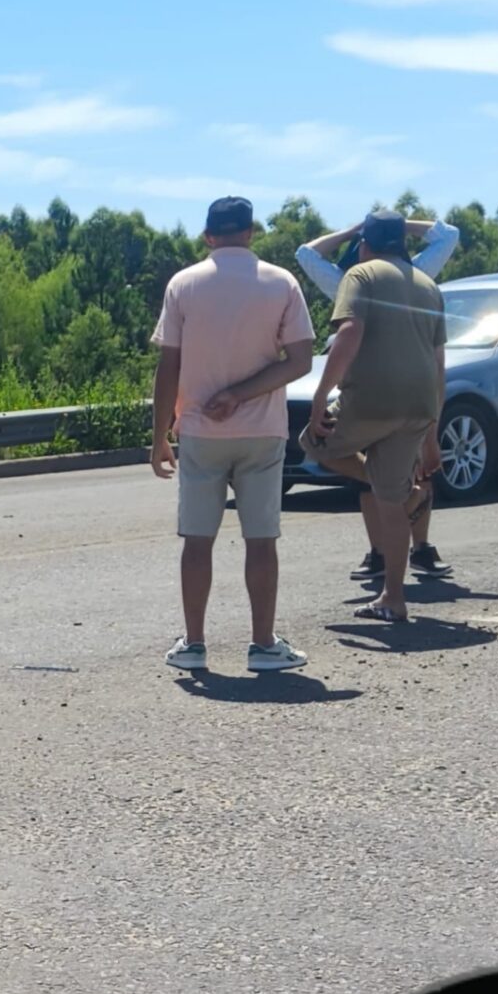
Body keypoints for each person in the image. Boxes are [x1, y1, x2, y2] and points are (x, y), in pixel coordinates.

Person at [150, 195, 316, 674]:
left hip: (200, 430)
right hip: (262, 430)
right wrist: (242, 394)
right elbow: (300, 360)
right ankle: (263, 645)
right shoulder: (281, 282)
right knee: (261, 540)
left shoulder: (183, 284)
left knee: (197, 540)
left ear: (207, 236)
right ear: (251, 232)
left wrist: (161, 434)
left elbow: (169, 365)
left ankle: (195, 644)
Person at [296, 215, 460, 582]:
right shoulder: (423, 278)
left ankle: (397, 552)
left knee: (335, 453)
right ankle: (397, 568)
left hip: (370, 394)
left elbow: (307, 254)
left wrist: (351, 230)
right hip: (416, 397)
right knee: (401, 476)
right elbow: (448, 235)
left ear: (364, 245)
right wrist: (402, 226)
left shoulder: (349, 278)